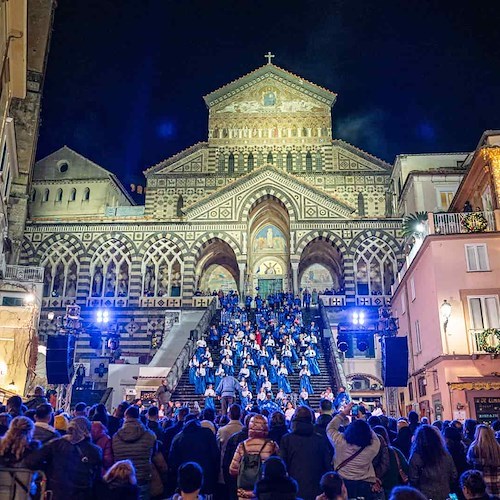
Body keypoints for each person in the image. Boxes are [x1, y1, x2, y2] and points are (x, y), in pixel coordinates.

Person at [26, 416, 102, 500]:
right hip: (83, 494)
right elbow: (97, 477)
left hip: (56, 492)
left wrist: (48, 468)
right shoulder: (95, 450)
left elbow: (32, 461)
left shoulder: (56, 444)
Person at [326, 402, 380, 499]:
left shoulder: (340, 442)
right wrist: (362, 420)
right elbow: (374, 437)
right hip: (364, 483)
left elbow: (330, 428)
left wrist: (343, 413)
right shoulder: (372, 448)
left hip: (342, 483)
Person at [280, 405, 332, 500]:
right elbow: (327, 465)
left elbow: (282, 466)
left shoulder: (287, 439)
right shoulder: (320, 439)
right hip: (316, 489)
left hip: (294, 489)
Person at [229, 414, 279, 499]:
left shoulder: (242, 445)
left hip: (243, 493)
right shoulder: (271, 446)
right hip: (263, 492)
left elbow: (232, 470)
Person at [169, 414, 220, 497]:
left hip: (185, 482)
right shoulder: (207, 434)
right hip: (207, 480)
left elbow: (172, 462)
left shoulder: (178, 438)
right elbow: (216, 456)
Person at [112, 405, 157, 499]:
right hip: (142, 478)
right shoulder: (149, 435)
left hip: (122, 479)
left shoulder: (116, 437)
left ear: (125, 417)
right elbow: (154, 454)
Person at [408, 424, 458, 500]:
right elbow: (454, 475)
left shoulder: (416, 456)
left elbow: (413, 479)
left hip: (425, 495)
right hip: (444, 494)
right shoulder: (445, 454)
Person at [466, 424, 500, 497]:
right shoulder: (497, 447)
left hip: (482, 485)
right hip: (497, 481)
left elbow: (469, 463)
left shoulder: (474, 448)